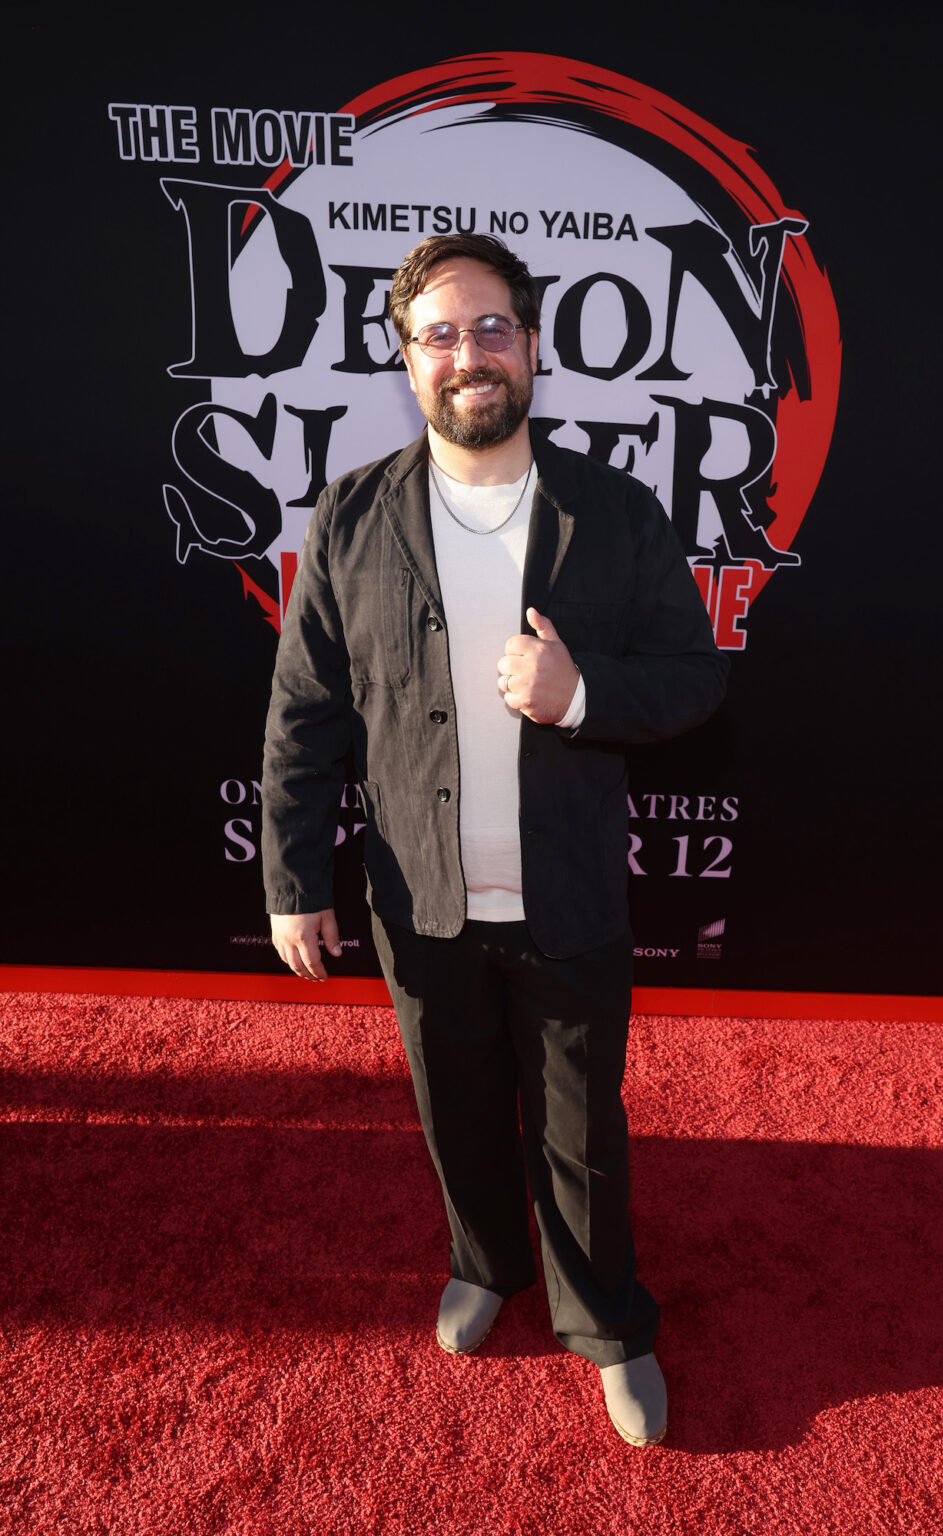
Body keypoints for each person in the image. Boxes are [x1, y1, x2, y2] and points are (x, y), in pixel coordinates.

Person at [262, 233, 728, 1446]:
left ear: (532, 346)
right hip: (422, 900)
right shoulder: (354, 515)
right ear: (407, 360)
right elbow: (304, 711)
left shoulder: (615, 512)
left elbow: (691, 677)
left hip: (567, 897)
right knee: (454, 1105)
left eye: (492, 328)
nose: (469, 354)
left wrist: (578, 696)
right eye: (441, 334)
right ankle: (486, 1264)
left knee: (580, 1131)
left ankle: (606, 1321)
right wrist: (292, 876)